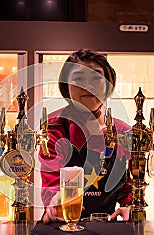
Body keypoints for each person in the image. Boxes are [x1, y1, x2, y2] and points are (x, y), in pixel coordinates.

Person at [38, 48, 132, 223]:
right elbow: (51, 180)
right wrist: (55, 200)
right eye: (79, 78)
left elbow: (128, 183)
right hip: (62, 223)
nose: (88, 85)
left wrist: (129, 205)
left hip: (107, 226)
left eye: (96, 77)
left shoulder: (123, 131)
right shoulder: (55, 127)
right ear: (66, 85)